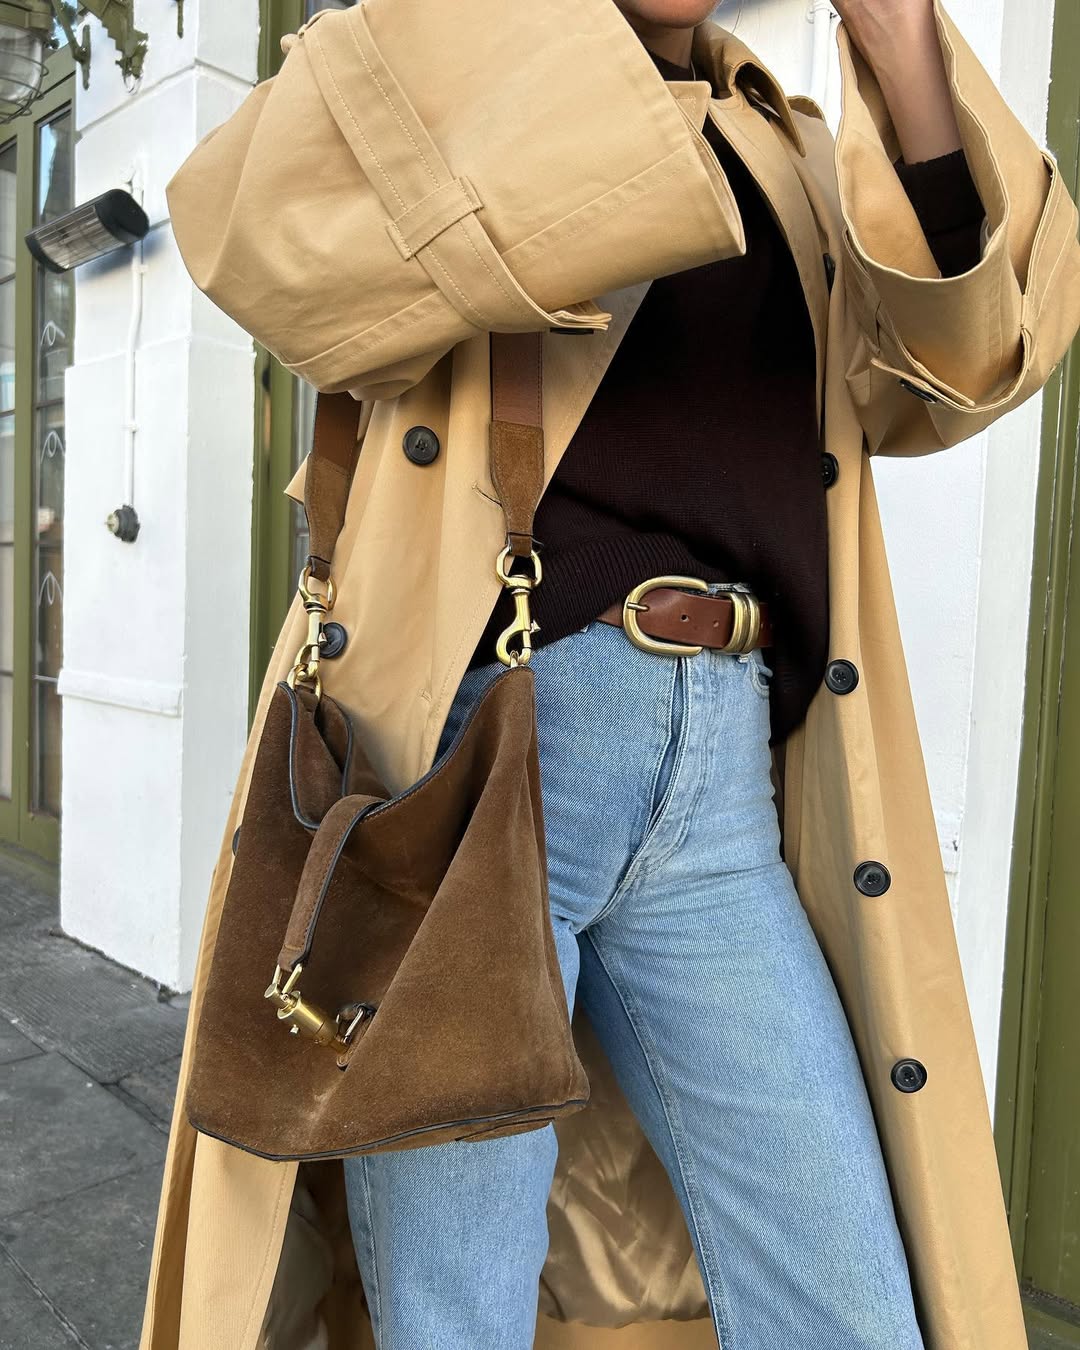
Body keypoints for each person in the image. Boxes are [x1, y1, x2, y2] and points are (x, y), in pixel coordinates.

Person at [338, 1, 983, 1346]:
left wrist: (905, 45)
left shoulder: (790, 148)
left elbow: (957, 362)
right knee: (454, 1312)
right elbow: (294, 278)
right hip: (509, 751)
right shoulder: (458, 67)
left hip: (723, 773)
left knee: (852, 1303)